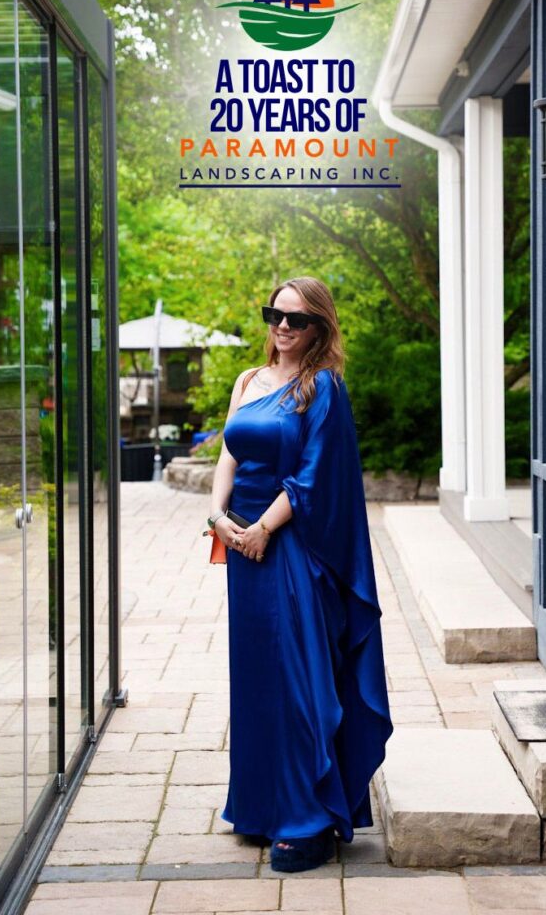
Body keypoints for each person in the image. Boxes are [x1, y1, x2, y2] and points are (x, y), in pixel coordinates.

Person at [207, 275, 393, 873]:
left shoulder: (324, 389)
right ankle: (261, 806)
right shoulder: (246, 381)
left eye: (297, 319)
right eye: (274, 314)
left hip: (290, 547)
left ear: (319, 328)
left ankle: (308, 819)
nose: (282, 327)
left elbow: (314, 479)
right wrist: (219, 517)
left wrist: (263, 527)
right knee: (257, 677)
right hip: (242, 548)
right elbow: (227, 455)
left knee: (300, 678)